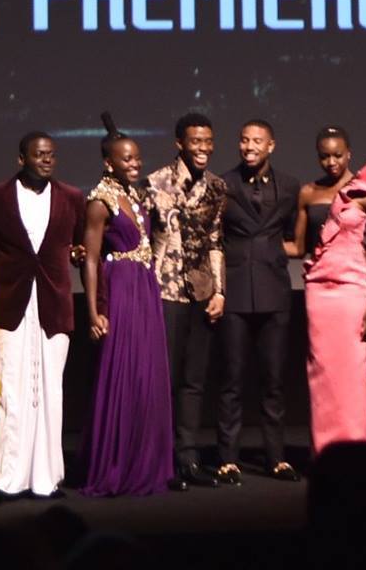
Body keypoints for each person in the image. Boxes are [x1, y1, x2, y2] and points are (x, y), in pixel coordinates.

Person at [0, 131, 86, 501]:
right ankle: (4, 479)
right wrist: (7, 264)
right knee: (8, 389)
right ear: (21, 158)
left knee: (49, 389)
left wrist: (75, 255)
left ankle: (47, 478)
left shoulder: (71, 197)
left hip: (53, 301)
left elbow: (80, 244)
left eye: (51, 155)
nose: (46, 160)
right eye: (39, 154)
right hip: (11, 301)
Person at [81, 116, 175, 497]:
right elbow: (90, 260)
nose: (135, 164)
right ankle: (115, 464)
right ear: (109, 163)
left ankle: (146, 461)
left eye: (136, 158)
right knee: (123, 372)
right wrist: (93, 312)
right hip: (121, 288)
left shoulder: (134, 195)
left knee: (146, 374)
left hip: (144, 287)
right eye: (126, 159)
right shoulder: (99, 201)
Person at [214, 117, 302, 484]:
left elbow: (295, 237)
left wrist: (272, 251)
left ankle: (276, 458)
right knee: (232, 379)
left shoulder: (290, 186)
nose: (249, 147)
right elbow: (214, 236)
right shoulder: (223, 184)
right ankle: (228, 459)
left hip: (274, 291)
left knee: (273, 380)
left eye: (257, 141)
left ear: (271, 146)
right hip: (235, 291)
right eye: (244, 140)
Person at [291, 127, 366, 453]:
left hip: (353, 291)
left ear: (349, 154)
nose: (331, 162)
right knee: (322, 373)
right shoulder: (308, 193)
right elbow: (298, 247)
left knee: (353, 375)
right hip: (319, 292)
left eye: (337, 155)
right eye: (324, 156)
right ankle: (325, 453)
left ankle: (355, 453)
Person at [145, 113, 228, 488]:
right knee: (166, 377)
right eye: (196, 141)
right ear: (180, 143)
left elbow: (215, 240)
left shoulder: (217, 187)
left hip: (201, 291)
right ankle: (161, 459)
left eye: (208, 141)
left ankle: (188, 457)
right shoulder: (155, 183)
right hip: (165, 289)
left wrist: (220, 291)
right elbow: (146, 240)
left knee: (195, 379)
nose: (203, 148)